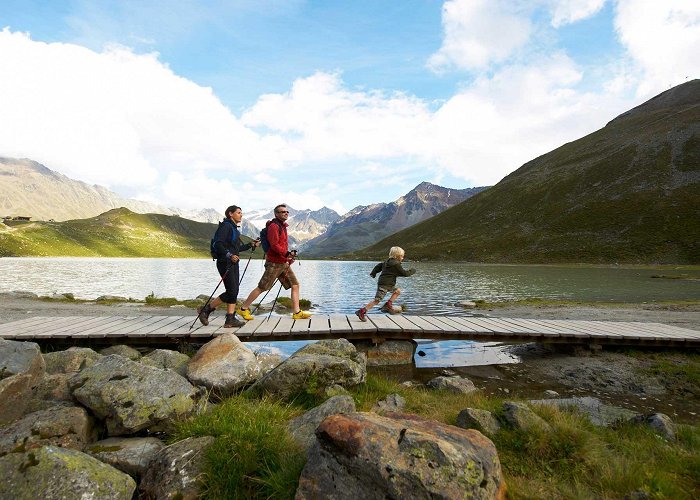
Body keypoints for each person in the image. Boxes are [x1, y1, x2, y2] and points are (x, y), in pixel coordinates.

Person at [238, 204, 312, 321]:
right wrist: (287, 254)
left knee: (295, 285)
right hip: (274, 263)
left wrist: (287, 258)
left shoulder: (282, 226)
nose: (286, 213)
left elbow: (280, 246)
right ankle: (243, 309)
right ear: (276, 214)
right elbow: (274, 245)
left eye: (287, 212)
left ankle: (297, 312)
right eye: (282, 212)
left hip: (283, 263)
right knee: (262, 287)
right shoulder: (274, 226)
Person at [197, 205, 260, 328]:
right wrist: (229, 255)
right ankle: (206, 310)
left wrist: (250, 245)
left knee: (234, 291)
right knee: (231, 291)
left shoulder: (233, 228)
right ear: (230, 214)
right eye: (238, 212)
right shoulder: (226, 226)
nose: (241, 215)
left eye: (241, 213)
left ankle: (230, 319)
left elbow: (236, 248)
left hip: (232, 262)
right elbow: (218, 244)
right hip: (225, 262)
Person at [355, 246, 416, 322]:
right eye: (402, 256)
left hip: (388, 284)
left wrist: (373, 273)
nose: (402, 258)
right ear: (397, 256)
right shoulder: (396, 264)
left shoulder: (387, 262)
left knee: (397, 291)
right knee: (377, 300)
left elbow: (378, 266)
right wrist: (412, 270)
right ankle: (362, 311)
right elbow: (404, 273)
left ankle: (388, 304)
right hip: (385, 285)